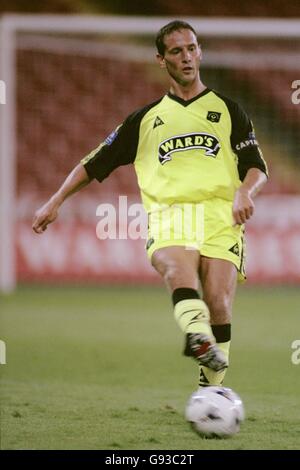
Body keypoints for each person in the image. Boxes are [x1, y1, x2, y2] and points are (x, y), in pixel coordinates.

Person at [32, 20, 268, 388]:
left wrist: (244, 192)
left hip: (221, 216)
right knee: (178, 271)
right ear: (161, 60)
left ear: (200, 52)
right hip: (170, 216)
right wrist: (56, 200)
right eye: (177, 51)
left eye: (192, 48)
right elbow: (93, 162)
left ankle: (211, 389)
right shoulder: (145, 120)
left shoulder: (228, 110)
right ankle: (197, 336)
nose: (187, 57)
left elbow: (256, 165)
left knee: (219, 302)